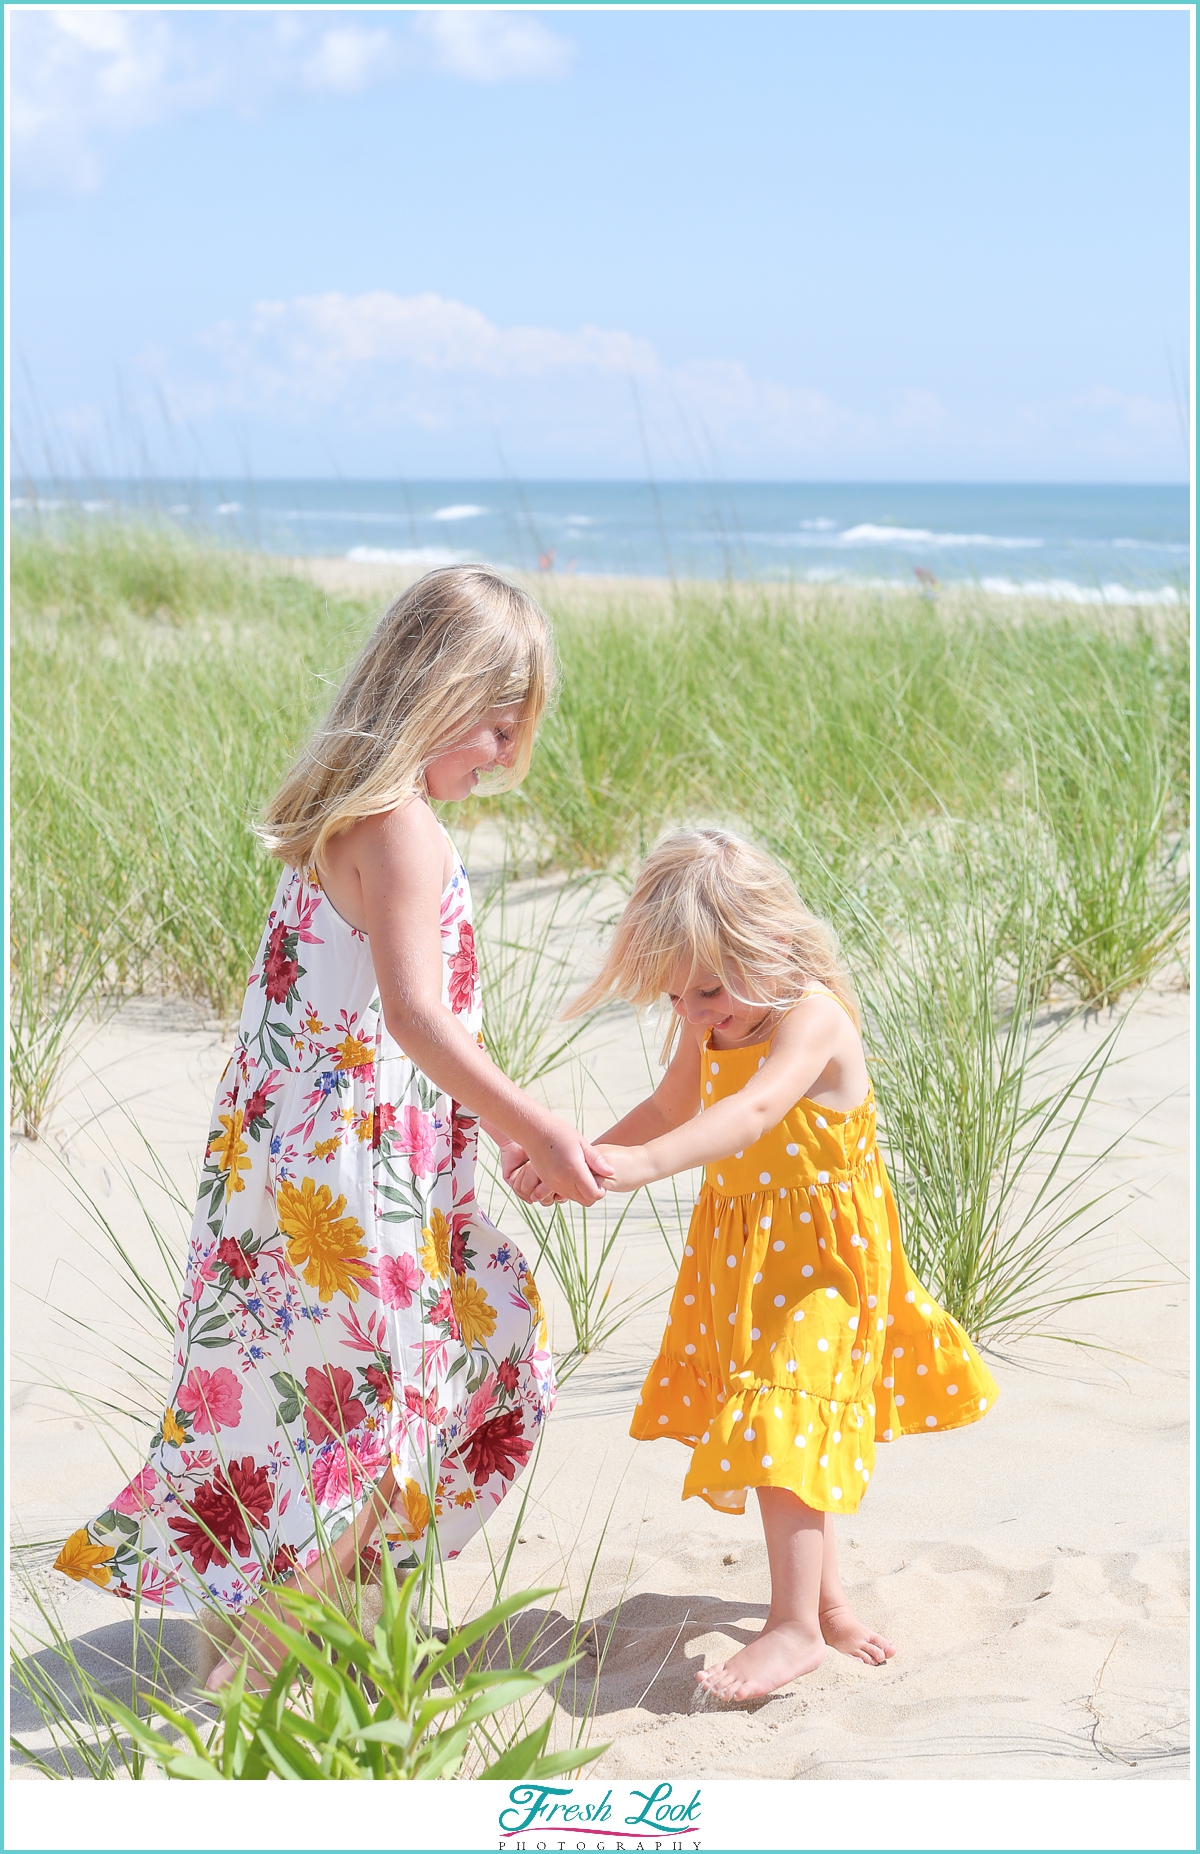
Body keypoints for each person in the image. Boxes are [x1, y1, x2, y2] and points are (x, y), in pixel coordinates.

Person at [54, 565, 611, 1689]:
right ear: (442, 695)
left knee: (330, 1396)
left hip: (290, 1160)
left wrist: (464, 1135)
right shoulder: (401, 829)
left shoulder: (339, 814)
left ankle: (317, 1632)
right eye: (500, 727)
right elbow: (411, 1015)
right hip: (354, 1179)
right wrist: (535, 1123)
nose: (505, 756)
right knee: (391, 1408)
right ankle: (257, 1674)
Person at [514, 828, 997, 1705]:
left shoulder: (814, 1017)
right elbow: (673, 1103)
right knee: (787, 1424)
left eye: (706, 989)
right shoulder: (706, 1017)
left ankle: (794, 1628)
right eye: (676, 996)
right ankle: (830, 1602)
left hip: (827, 1266)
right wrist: (576, 1156)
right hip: (745, 1259)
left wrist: (637, 1172)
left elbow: (754, 1111)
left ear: (770, 946)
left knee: (783, 1419)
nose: (695, 1012)